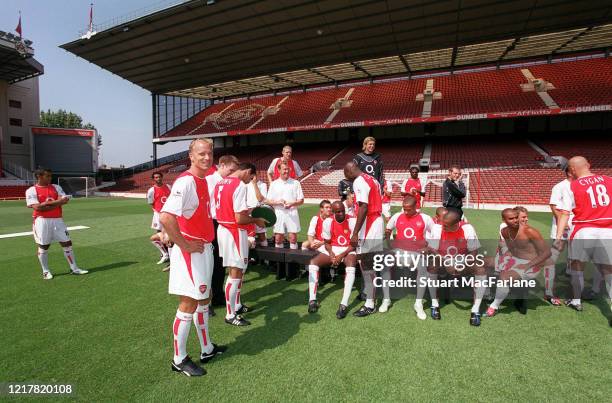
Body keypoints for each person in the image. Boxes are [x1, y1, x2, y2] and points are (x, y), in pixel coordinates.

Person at [160, 138, 226, 377]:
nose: (207, 158)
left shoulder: (203, 180)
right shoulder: (186, 181)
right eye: (201, 154)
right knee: (188, 303)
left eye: (209, 153)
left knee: (204, 299)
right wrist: (185, 245)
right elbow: (166, 217)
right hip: (191, 253)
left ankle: (206, 348)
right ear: (191, 156)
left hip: (204, 248)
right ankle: (179, 359)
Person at [554, 156, 612, 324]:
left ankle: (576, 301)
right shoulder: (609, 180)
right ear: (589, 165)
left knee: (577, 267)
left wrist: (558, 237)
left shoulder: (571, 186)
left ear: (571, 170)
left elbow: (565, 213)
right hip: (608, 230)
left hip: (583, 230)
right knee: (608, 272)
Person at [214, 162, 267, 326]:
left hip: (224, 229)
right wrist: (256, 219)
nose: (249, 180)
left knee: (239, 270)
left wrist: (249, 210)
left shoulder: (220, 182)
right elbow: (238, 218)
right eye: (250, 177)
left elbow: (230, 208)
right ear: (247, 171)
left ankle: (236, 305)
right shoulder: (239, 185)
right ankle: (230, 315)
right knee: (235, 273)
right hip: (233, 231)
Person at [486, 208, 553, 317]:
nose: (515, 220)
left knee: (504, 276)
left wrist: (527, 265)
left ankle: (494, 306)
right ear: (504, 220)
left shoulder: (529, 231)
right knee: (484, 262)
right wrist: (504, 257)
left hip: (531, 264)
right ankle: (489, 294)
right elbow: (512, 249)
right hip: (515, 260)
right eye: (511, 218)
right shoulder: (504, 231)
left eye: (516, 218)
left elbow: (547, 253)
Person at [25, 168, 88, 279]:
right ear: (39, 176)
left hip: (58, 220)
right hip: (41, 221)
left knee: (67, 243)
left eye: (50, 175)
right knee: (44, 246)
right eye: (47, 176)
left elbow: (64, 200)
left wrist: (47, 204)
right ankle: (45, 271)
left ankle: (74, 268)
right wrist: (57, 203)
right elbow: (37, 207)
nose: (50, 177)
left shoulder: (56, 187)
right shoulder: (31, 190)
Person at [427, 211, 486, 326]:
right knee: (432, 265)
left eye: (446, 225)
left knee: (480, 269)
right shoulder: (438, 228)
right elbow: (433, 249)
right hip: (443, 258)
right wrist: (446, 262)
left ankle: (475, 310)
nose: (442, 226)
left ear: (456, 224)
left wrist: (462, 265)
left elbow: (473, 252)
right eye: (443, 223)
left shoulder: (468, 229)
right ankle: (434, 304)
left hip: (462, 260)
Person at [344, 161, 384, 317]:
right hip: (375, 222)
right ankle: (369, 294)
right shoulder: (371, 178)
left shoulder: (359, 181)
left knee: (367, 264)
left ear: (349, 172)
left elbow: (363, 207)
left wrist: (355, 233)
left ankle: (370, 303)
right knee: (368, 263)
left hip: (370, 223)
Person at [385, 195, 435, 320]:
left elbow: (436, 234)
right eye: (404, 209)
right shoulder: (397, 216)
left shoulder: (425, 218)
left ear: (416, 207)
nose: (405, 212)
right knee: (384, 263)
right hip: (399, 252)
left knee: (423, 267)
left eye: (408, 209)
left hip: (417, 253)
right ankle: (386, 299)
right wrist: (389, 244)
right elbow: (388, 230)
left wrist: (428, 248)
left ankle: (418, 303)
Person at [307, 201, 357, 318]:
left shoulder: (352, 221)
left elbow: (354, 244)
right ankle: (312, 300)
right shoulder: (328, 222)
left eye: (342, 211)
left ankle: (343, 304)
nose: (341, 214)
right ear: (333, 213)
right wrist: (331, 254)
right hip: (333, 248)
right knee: (313, 263)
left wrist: (341, 255)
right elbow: (327, 243)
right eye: (338, 212)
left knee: (351, 264)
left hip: (348, 249)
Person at [206, 155, 239, 308]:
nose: (232, 173)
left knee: (220, 263)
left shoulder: (228, 182)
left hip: (222, 224)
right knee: (209, 263)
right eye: (231, 170)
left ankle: (218, 297)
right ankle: (206, 301)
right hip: (209, 224)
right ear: (222, 165)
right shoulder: (209, 181)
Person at [265, 162, 304, 250]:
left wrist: (292, 203)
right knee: (278, 239)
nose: (286, 171)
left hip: (292, 213)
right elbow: (268, 201)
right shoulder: (274, 184)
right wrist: (278, 202)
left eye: (288, 169)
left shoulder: (296, 183)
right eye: (284, 169)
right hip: (279, 213)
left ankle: (293, 262)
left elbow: (301, 201)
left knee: (293, 239)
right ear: (279, 170)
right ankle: (279, 263)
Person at [147, 171, 172, 266]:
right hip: (158, 214)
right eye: (156, 177)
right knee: (159, 234)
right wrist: (158, 212)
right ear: (153, 179)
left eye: (159, 177)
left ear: (162, 177)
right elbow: (151, 203)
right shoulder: (151, 190)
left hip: (169, 214)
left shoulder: (169, 187)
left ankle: (168, 254)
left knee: (170, 233)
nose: (158, 179)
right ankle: (165, 254)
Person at [246, 175, 268, 248]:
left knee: (262, 236)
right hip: (248, 213)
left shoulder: (263, 185)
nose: (252, 177)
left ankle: (265, 258)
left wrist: (255, 184)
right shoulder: (245, 184)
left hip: (259, 212)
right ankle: (251, 258)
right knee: (249, 237)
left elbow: (260, 199)